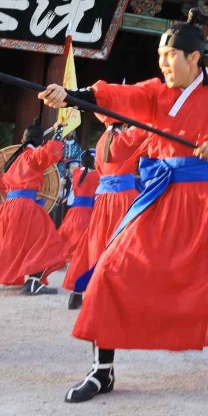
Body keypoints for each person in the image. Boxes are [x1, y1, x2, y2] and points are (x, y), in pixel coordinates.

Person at [39, 14, 208, 403]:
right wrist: (72, 95)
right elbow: (118, 98)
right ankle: (102, 371)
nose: (163, 62)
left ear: (194, 58)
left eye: (170, 54)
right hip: (160, 198)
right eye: (160, 54)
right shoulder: (156, 93)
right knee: (110, 270)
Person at [64, 122, 147, 311]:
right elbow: (151, 135)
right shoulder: (124, 139)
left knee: (95, 242)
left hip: (104, 200)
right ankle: (118, 292)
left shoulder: (103, 140)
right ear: (125, 123)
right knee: (128, 243)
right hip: (124, 199)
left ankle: (79, 291)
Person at [0, 124, 68, 295]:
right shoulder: (31, 156)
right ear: (40, 141)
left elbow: (2, 185)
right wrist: (58, 134)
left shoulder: (12, 161)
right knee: (47, 240)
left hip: (7, 207)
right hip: (25, 206)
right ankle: (33, 282)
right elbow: (50, 153)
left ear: (22, 139)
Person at [57, 150, 100, 263]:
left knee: (69, 236)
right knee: (84, 238)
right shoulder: (96, 176)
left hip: (74, 210)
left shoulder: (76, 174)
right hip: (88, 211)